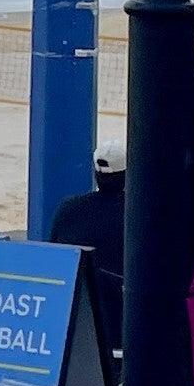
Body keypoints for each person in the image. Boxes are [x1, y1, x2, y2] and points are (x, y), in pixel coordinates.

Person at [50, 141, 127, 355]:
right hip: (122, 330)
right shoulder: (137, 217)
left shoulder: (68, 210)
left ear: (95, 173)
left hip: (74, 328)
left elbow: (55, 261)